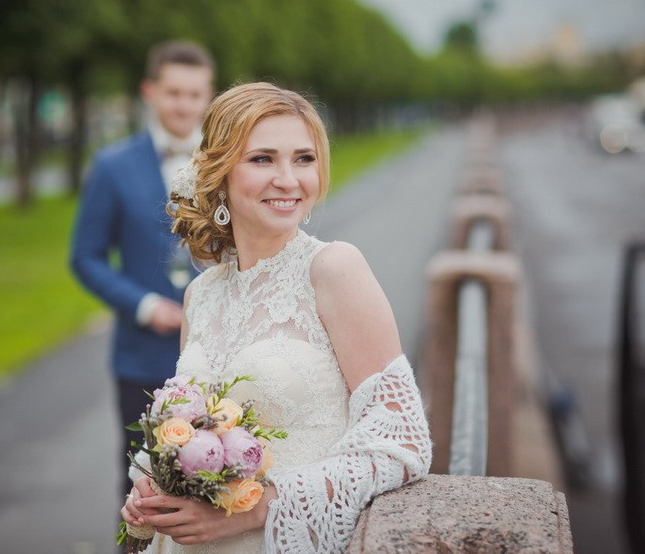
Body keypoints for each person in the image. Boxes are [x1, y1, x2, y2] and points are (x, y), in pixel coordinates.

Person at [119, 82, 432, 553]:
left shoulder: (333, 270)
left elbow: (402, 446)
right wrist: (150, 487)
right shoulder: (200, 295)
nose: (288, 179)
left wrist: (258, 506)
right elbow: (191, 433)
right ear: (220, 172)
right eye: (263, 159)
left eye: (304, 159)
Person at [69, 41, 215, 500]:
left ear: (208, 96)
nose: (184, 104)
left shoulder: (226, 163)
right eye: (173, 92)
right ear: (149, 92)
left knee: (218, 483)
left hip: (220, 350)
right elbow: (85, 257)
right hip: (143, 356)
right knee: (142, 483)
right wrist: (144, 305)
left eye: (195, 94)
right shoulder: (112, 166)